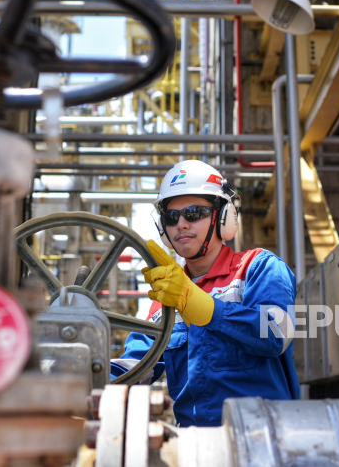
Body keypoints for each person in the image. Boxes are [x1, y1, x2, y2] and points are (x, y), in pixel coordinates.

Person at [110, 160, 299, 427]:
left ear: (223, 216)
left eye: (194, 213)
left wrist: (208, 310)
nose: (182, 224)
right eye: (172, 217)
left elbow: (276, 334)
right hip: (195, 447)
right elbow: (135, 370)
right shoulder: (166, 301)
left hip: (264, 441)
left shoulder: (259, 268)